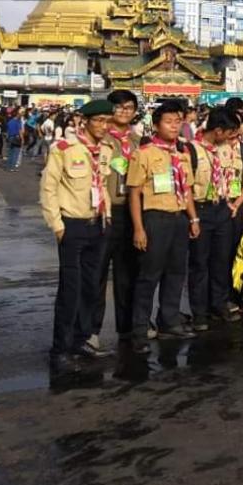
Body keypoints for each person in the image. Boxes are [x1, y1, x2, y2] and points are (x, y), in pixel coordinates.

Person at [40, 100, 115, 370]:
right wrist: (57, 225)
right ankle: (60, 350)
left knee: (91, 287)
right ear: (84, 121)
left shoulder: (104, 150)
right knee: (70, 290)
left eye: (108, 121)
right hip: (72, 225)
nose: (104, 126)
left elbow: (102, 184)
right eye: (99, 121)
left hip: (98, 225)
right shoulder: (63, 149)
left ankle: (82, 340)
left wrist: (107, 216)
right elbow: (48, 188)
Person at [127, 99, 200, 354]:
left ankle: (169, 320)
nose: (174, 126)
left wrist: (193, 218)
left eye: (178, 122)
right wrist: (138, 228)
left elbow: (187, 189)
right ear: (156, 125)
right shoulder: (144, 153)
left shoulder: (183, 153)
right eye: (168, 122)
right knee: (149, 276)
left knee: (176, 273)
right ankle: (138, 330)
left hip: (179, 217)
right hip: (155, 218)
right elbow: (134, 193)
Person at [188, 107, 243, 331]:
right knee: (199, 263)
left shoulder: (227, 150)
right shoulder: (192, 150)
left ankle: (218, 303)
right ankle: (199, 312)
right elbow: (186, 187)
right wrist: (193, 218)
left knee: (221, 259)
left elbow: (237, 177)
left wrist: (234, 205)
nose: (233, 137)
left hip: (223, 209)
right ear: (217, 130)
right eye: (229, 132)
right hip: (201, 209)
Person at [89, 90, 140, 351]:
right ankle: (91, 330)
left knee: (127, 273)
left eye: (128, 107)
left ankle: (127, 326)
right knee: (97, 273)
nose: (123, 111)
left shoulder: (138, 141)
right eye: (118, 107)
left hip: (129, 212)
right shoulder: (99, 138)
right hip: (103, 212)